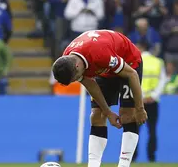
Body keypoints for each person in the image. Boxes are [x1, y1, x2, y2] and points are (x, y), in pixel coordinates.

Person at [52, 30, 148, 167]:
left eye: (74, 78)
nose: (75, 80)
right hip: (104, 70)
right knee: (97, 115)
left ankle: (124, 165)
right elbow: (90, 83)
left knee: (127, 115)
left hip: (129, 63)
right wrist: (108, 112)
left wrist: (140, 108)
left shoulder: (100, 53)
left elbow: (132, 74)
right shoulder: (67, 62)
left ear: (77, 66)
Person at [133, 40, 167, 162]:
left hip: (137, 102)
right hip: (153, 101)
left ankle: (132, 157)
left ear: (140, 47)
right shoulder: (158, 62)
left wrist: (140, 97)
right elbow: (163, 80)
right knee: (152, 130)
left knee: (134, 131)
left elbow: (132, 81)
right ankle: (151, 158)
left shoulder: (135, 62)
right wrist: (153, 95)